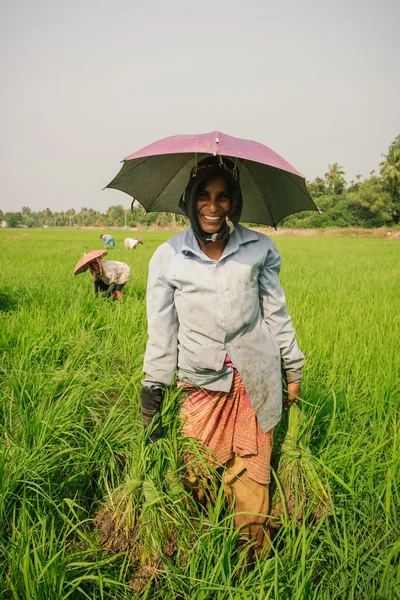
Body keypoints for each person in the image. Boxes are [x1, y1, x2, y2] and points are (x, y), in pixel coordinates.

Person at [140, 156, 305, 557]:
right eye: (204, 196)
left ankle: (251, 558)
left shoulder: (258, 248)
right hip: (200, 381)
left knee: (251, 474)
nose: (213, 206)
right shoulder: (168, 257)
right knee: (194, 475)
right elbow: (162, 332)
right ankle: (201, 551)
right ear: (189, 199)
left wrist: (293, 367)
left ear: (235, 202)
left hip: (256, 377)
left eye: (223, 197)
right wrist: (152, 391)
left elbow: (275, 313)